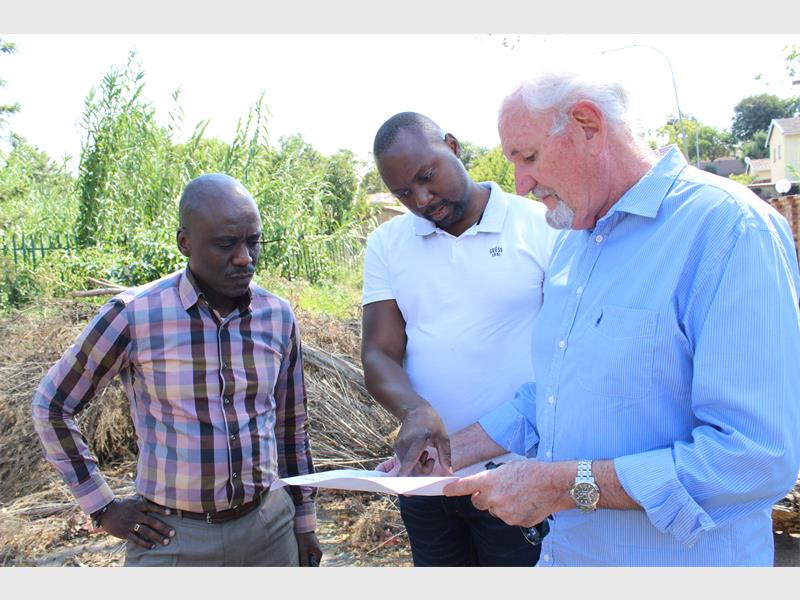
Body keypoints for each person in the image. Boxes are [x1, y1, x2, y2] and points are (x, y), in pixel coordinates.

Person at [440, 70, 800, 566]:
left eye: (529, 157)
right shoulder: (573, 242)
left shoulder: (728, 228)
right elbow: (555, 396)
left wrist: (563, 487)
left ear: (587, 126)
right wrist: (447, 452)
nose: (521, 183)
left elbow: (755, 458)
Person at [31, 173, 323, 567]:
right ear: (184, 242)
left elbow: (291, 426)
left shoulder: (278, 316)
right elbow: (51, 405)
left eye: (253, 242)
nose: (244, 258)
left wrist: (304, 523)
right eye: (226, 244)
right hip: (173, 538)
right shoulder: (134, 315)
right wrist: (102, 507)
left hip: (268, 532)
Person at [361, 112, 558, 566]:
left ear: (452, 145)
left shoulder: (539, 225)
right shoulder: (388, 243)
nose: (422, 199)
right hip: (427, 478)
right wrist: (415, 411)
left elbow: (568, 355)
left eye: (427, 177)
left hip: (519, 477)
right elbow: (379, 353)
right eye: (403, 193)